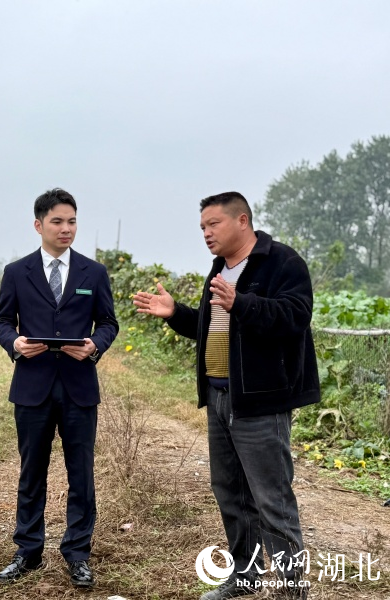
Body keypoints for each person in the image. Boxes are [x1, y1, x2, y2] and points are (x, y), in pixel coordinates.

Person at [133, 192, 319, 600]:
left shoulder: (282, 263)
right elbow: (214, 329)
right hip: (220, 399)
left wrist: (242, 303)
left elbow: (295, 316)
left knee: (272, 499)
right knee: (230, 492)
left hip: (261, 402)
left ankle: (292, 591)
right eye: (202, 227)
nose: (206, 233)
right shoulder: (220, 268)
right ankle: (246, 576)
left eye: (213, 224)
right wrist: (176, 314)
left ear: (242, 220)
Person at [0, 188, 119, 589]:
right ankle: (27, 551)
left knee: (81, 474)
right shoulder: (17, 272)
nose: (66, 229)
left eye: (73, 221)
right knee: (32, 472)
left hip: (80, 387)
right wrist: (15, 343)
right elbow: (1, 322)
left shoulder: (93, 273)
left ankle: (78, 554)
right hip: (33, 387)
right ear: (38, 225)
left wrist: (95, 346)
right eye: (58, 222)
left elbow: (109, 323)